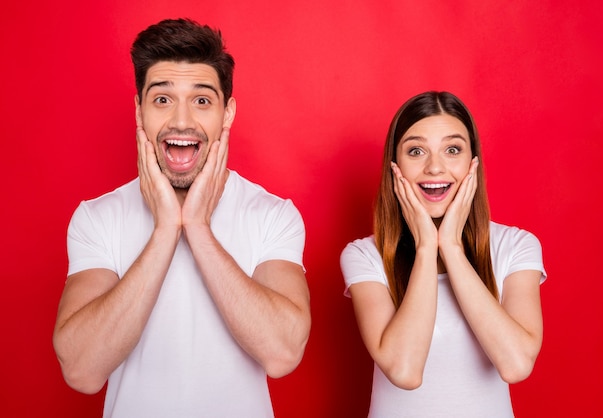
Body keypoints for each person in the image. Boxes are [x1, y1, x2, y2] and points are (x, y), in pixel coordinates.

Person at [53, 18, 311, 417]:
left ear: (228, 113)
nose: (181, 121)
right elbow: (82, 371)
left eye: (202, 100)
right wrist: (164, 231)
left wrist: (198, 228)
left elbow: (282, 354)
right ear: (139, 110)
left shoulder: (274, 215)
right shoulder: (96, 218)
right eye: (162, 99)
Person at [340, 91, 546, 417]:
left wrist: (450, 246)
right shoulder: (365, 256)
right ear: (395, 166)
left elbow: (516, 364)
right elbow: (404, 370)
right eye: (416, 151)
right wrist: (426, 247)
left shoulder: (516, 246)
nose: (435, 167)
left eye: (452, 150)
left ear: (472, 163)